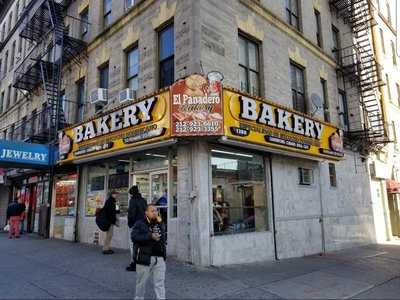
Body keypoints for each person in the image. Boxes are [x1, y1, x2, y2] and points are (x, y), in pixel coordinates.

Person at [132, 204, 166, 300]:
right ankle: (139, 298)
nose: (155, 213)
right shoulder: (140, 223)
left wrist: (164, 255)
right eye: (152, 211)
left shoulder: (160, 222)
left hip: (159, 258)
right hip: (145, 258)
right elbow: (134, 237)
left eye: (156, 210)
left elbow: (163, 239)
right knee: (141, 283)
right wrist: (150, 236)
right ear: (146, 212)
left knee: (160, 283)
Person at [126, 185, 147, 272]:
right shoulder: (143, 200)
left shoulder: (132, 201)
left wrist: (130, 224)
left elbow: (132, 214)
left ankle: (134, 264)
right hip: (143, 224)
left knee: (133, 245)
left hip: (135, 225)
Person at [102, 190, 120, 254]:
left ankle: (107, 248)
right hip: (109, 221)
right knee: (109, 235)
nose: (116, 195)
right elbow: (110, 212)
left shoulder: (112, 201)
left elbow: (115, 211)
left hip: (110, 221)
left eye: (116, 194)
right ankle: (105, 249)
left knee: (110, 235)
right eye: (115, 194)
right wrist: (113, 220)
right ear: (112, 194)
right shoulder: (110, 201)